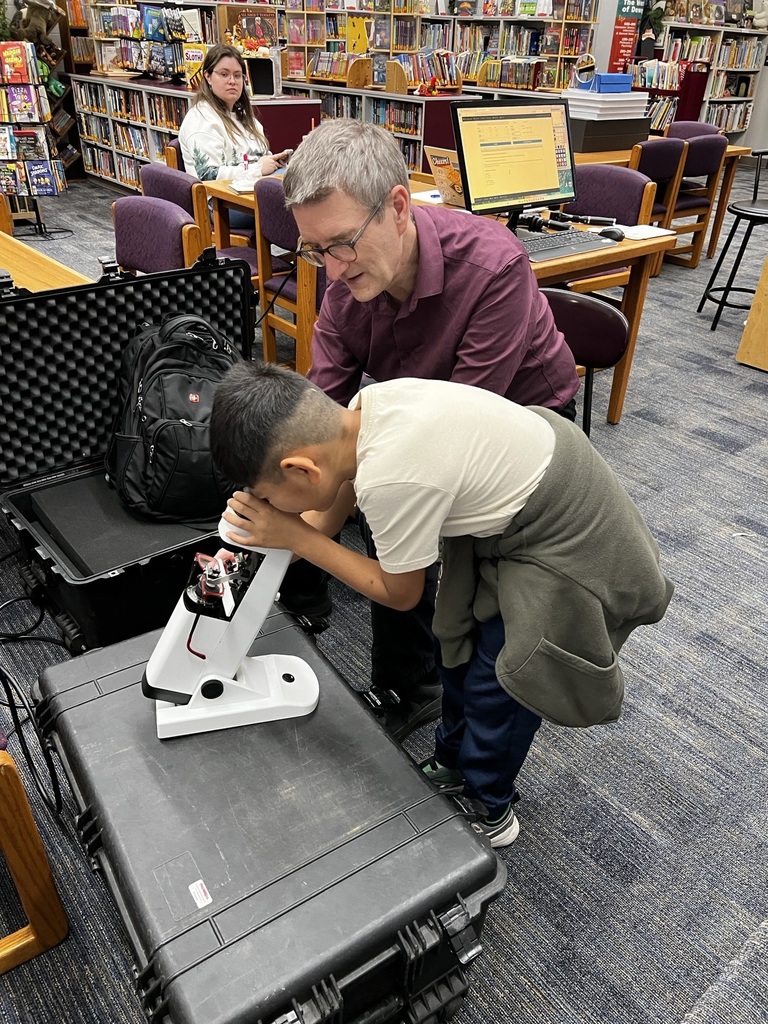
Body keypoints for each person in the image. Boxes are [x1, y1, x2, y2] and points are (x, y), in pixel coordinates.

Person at [210, 363, 674, 847]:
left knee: (507, 684)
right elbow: (323, 521)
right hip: (517, 508)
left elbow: (400, 592)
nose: (276, 509)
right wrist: (259, 540)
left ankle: (491, 808)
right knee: (458, 648)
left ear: (301, 469)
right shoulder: (360, 415)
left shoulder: (390, 478)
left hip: (569, 537)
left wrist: (293, 535)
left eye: (270, 497)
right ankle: (454, 761)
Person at [279, 118, 581, 741]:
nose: (330, 271)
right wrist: (282, 507)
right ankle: (295, 604)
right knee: (329, 483)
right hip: (415, 415)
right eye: (313, 251)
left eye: (340, 244)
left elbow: (450, 442)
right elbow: (320, 418)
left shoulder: (493, 267)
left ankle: (408, 685)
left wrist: (328, 520)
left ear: (396, 207)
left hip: (522, 422)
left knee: (400, 517)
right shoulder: (346, 278)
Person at [178, 44, 291, 231]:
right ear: (207, 76)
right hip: (223, 204)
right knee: (297, 206)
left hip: (250, 192)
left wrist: (273, 162)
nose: (232, 81)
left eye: (238, 75)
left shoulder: (244, 117)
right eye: (224, 74)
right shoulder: (201, 119)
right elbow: (208, 176)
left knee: (305, 193)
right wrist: (258, 169)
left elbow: (261, 155)